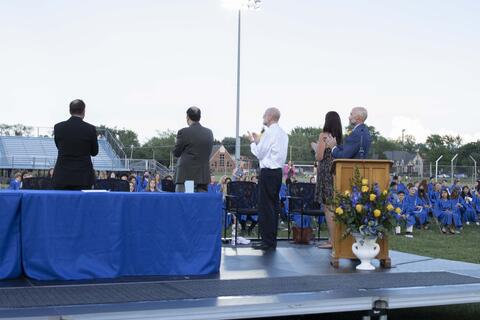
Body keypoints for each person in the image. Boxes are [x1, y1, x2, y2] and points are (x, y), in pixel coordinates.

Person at [248, 107, 288, 251]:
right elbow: (272, 151)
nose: (263, 117)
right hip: (278, 172)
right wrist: (260, 140)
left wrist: (253, 142)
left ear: (270, 116)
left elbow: (260, 154)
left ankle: (267, 241)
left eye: (264, 115)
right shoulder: (283, 134)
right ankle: (271, 240)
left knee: (265, 207)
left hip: (268, 172)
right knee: (273, 206)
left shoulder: (269, 133)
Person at [52, 99, 99, 190]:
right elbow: (94, 152)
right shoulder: (90, 129)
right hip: (83, 177)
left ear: (70, 111)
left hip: (62, 176)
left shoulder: (58, 127)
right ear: (83, 111)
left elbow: (59, 146)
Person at [313, 111, 343, 249]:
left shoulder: (324, 135)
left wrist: (315, 147)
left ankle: (332, 241)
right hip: (336, 172)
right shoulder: (340, 137)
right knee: (336, 206)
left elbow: (319, 156)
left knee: (328, 207)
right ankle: (337, 239)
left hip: (325, 172)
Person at [173, 107, 213, 192]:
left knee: (184, 202)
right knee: (200, 203)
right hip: (202, 177)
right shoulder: (209, 133)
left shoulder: (183, 132)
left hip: (186, 177)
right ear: (200, 117)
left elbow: (176, 153)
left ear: (187, 117)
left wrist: (176, 143)